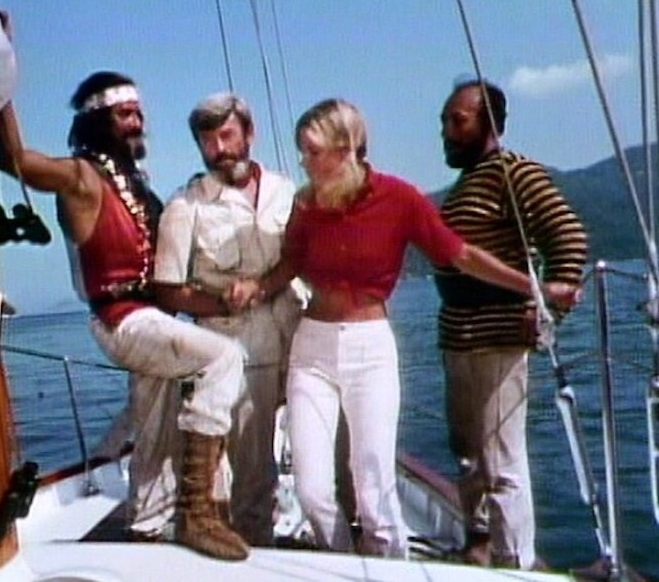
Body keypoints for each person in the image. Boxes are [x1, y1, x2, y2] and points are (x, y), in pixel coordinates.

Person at [229, 98, 574, 558]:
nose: (304, 162)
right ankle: (343, 561)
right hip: (312, 350)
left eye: (312, 151)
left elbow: (459, 254)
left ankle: (391, 565)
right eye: (302, 151)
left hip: (369, 351)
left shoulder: (398, 198)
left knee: (374, 489)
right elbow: (289, 264)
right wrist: (256, 286)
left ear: (345, 149)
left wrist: (534, 288)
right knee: (312, 491)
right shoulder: (305, 204)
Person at [0, 59, 251, 560]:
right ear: (98, 121)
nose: (137, 122)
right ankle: (196, 514)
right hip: (123, 319)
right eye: (124, 114)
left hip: (149, 317)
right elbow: (15, 159)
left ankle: (147, 525)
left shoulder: (131, 182)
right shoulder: (81, 176)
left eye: (139, 113)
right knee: (224, 358)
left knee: (154, 425)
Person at [436, 79, 587, 569]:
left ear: (490, 124)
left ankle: (513, 562)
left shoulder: (513, 172)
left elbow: (568, 237)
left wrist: (548, 311)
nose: (446, 131)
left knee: (501, 458)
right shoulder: (467, 183)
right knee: (467, 451)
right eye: (444, 121)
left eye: (457, 121)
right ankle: (479, 541)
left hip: (498, 336)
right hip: (458, 334)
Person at [152, 92, 303, 546]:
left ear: (249, 134)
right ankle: (257, 554)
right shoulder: (185, 207)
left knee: (323, 455)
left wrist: (264, 285)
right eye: (208, 141)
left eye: (227, 136)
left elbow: (299, 256)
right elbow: (166, 290)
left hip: (299, 340)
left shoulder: (286, 190)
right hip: (240, 351)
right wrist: (224, 303)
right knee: (254, 475)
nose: (219, 149)